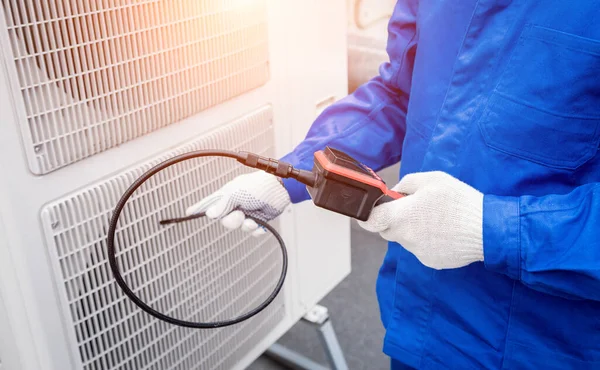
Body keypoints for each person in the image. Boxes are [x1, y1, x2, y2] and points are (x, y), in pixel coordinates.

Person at [187, 1, 600, 368]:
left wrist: (490, 229)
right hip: (418, 322)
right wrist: (287, 176)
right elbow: (397, 93)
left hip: (542, 343)